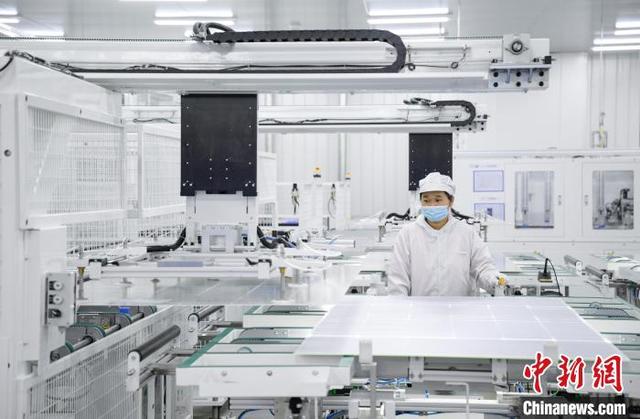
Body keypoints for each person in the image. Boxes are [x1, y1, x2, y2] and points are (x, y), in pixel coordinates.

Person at [387, 172, 505, 296]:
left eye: (438, 200)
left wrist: (493, 280)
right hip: (420, 307)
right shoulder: (407, 234)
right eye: (426, 200)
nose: (432, 205)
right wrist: (400, 305)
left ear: (451, 201)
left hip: (461, 307)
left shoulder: (467, 233)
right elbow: (398, 279)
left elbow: (483, 266)